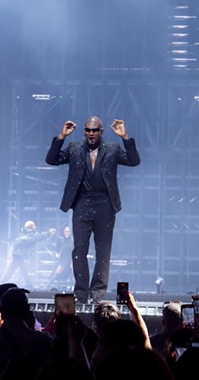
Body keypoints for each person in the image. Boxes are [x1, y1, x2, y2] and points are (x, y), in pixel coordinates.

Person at [45, 117, 141, 304]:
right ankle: (81, 294)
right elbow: (51, 159)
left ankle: (97, 293)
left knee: (103, 252)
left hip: (105, 205)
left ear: (101, 131)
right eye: (88, 130)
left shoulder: (112, 149)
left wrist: (125, 137)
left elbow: (134, 160)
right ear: (84, 131)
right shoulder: (74, 149)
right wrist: (61, 136)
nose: (91, 133)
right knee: (79, 250)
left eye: (94, 130)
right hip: (82, 204)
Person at [0, 220, 54, 290]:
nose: (35, 227)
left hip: (17, 254)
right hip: (17, 255)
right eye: (34, 225)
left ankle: (30, 286)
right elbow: (38, 237)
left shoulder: (22, 233)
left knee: (23, 272)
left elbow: (19, 242)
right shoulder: (30, 234)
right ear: (32, 227)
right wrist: (48, 233)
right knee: (10, 272)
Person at [45, 225, 74, 290]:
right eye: (66, 231)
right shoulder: (61, 240)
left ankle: (76, 289)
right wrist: (57, 254)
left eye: (68, 231)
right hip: (63, 259)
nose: (67, 233)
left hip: (71, 259)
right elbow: (56, 250)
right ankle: (46, 287)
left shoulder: (72, 240)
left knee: (74, 274)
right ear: (63, 232)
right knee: (56, 274)